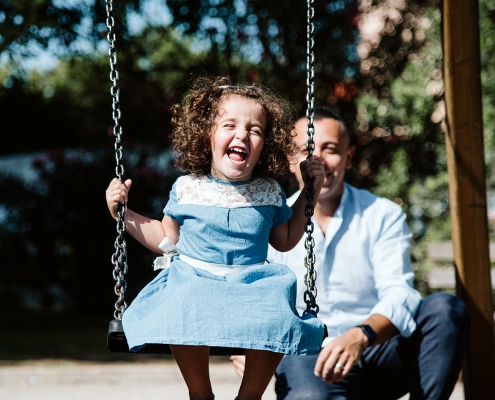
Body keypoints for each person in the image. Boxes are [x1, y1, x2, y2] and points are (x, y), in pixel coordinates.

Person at [105, 77, 328, 400]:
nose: (242, 135)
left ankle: (249, 394)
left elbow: (285, 239)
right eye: (229, 125)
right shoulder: (188, 187)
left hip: (252, 284)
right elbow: (166, 238)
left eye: (255, 130)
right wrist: (123, 215)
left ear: (266, 143)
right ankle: (200, 392)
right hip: (196, 279)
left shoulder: (268, 192)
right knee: (182, 301)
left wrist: (311, 191)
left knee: (277, 308)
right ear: (207, 134)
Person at [232, 105, 469, 400]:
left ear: (349, 156)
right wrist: (248, 344)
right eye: (306, 149)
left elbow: (400, 293)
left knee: (446, 310)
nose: (317, 160)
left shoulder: (382, 214)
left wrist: (361, 335)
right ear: (290, 158)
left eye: (330, 149)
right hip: (310, 357)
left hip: (378, 351)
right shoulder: (269, 219)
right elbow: (257, 297)